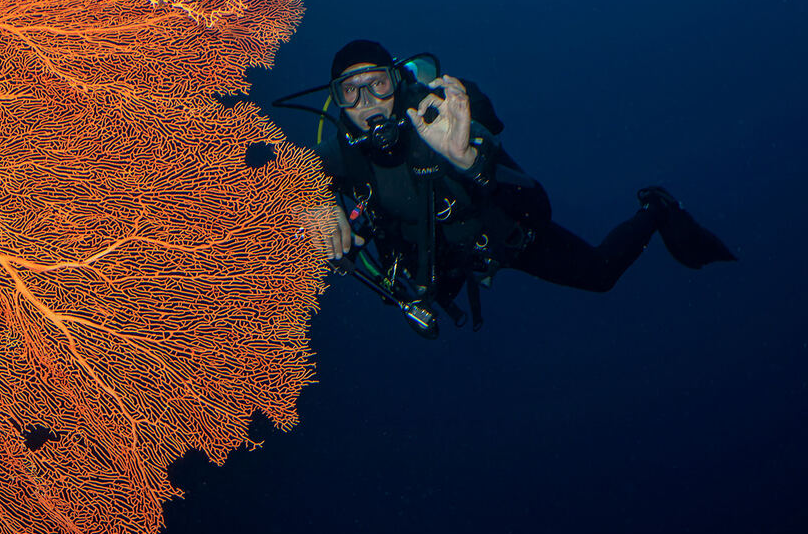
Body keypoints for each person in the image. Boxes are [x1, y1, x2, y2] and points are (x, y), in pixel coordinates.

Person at [316, 40, 737, 331]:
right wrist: (311, 202)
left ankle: (657, 208)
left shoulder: (436, 115)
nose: (367, 100)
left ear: (397, 82)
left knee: (600, 273)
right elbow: (289, 179)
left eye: (378, 83)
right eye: (349, 91)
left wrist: (469, 159)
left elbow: (525, 189)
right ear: (336, 101)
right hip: (438, 259)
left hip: (499, 235)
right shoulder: (340, 154)